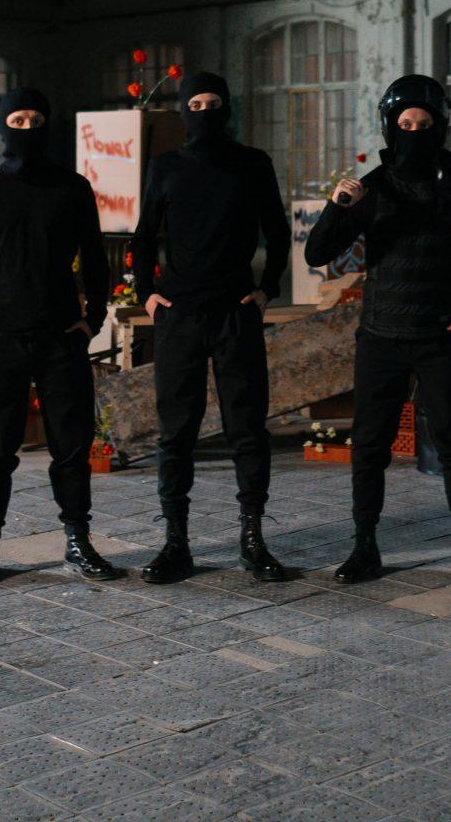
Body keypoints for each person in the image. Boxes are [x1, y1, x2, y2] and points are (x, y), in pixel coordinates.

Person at [304, 74, 451, 587]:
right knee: (370, 446)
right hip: (381, 337)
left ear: (441, 126)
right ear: (390, 128)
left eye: (424, 123)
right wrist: (337, 206)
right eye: (405, 124)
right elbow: (317, 253)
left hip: (440, 338)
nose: (414, 131)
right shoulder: (370, 189)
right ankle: (364, 545)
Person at [0, 86, 121, 586]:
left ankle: (79, 541)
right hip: (2, 339)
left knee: (72, 448)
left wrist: (94, 318)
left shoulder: (73, 188)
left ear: (48, 125)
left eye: (36, 120)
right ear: (2, 126)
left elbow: (96, 260)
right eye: (17, 120)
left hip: (62, 338)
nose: (27, 129)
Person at [128, 71, 292, 584]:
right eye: (195, 104)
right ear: (184, 110)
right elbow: (143, 236)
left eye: (213, 103)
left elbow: (278, 231)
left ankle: (253, 539)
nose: (204, 112)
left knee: (248, 427)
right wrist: (146, 295)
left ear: (227, 108)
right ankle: (175, 543)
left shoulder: (253, 163)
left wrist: (267, 289)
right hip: (178, 314)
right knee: (176, 432)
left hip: (234, 312)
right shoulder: (166, 167)